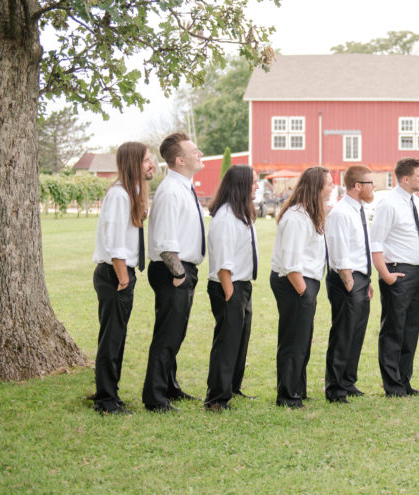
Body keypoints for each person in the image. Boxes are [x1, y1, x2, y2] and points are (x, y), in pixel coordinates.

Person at [142, 132, 205, 413]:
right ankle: (154, 397)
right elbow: (166, 242)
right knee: (168, 335)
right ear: (180, 160)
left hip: (182, 268)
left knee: (175, 333)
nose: (200, 153)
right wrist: (179, 275)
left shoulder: (184, 187)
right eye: (194, 151)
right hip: (172, 270)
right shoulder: (170, 191)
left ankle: (169, 386)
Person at [91, 141, 155, 415]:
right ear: (133, 164)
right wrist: (123, 277)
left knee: (118, 336)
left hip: (122, 273)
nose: (151, 164)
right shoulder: (119, 195)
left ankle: (112, 394)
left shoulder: (134, 192)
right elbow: (115, 241)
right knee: (111, 337)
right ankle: (105, 400)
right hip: (115, 274)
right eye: (146, 160)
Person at [269, 167, 333, 409]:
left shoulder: (310, 213)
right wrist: (304, 292)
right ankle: (287, 395)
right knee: (293, 341)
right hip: (295, 282)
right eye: (328, 183)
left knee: (302, 340)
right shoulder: (296, 217)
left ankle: (297, 388)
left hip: (304, 282)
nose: (331, 187)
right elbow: (292, 262)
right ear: (316, 187)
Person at [369, 158, 419, 397]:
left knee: (410, 330)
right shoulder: (388, 204)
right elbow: (375, 243)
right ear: (406, 179)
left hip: (417, 271)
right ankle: (393, 386)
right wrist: (386, 275)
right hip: (397, 272)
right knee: (394, 330)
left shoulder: (415, 201)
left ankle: (405, 381)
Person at [202, 165, 259, 412]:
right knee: (227, 342)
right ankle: (216, 398)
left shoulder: (240, 214)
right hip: (229, 286)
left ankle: (232, 388)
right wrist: (230, 294)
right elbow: (224, 264)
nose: (257, 186)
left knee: (239, 340)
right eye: (254, 182)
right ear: (242, 186)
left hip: (241, 285)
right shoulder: (225, 218)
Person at [324, 164, 375, 403]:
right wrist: (349, 281)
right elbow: (339, 251)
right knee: (343, 333)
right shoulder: (341, 212)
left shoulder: (359, 209)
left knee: (356, 333)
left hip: (360, 278)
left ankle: (348, 381)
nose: (373, 186)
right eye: (370, 182)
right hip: (347, 279)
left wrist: (367, 281)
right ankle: (335, 388)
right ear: (357, 186)